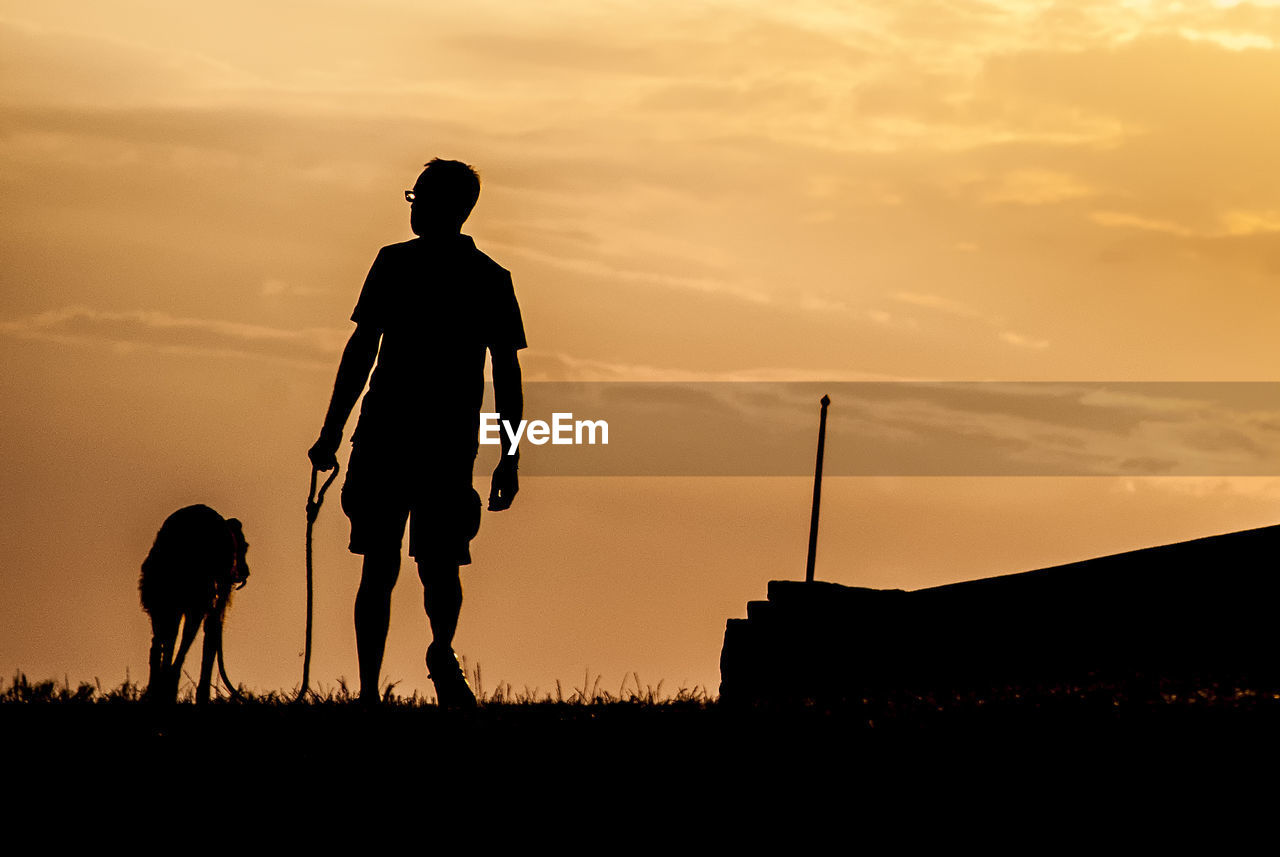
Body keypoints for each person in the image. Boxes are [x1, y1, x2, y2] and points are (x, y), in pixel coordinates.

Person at [308, 158, 526, 708]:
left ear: (449, 206)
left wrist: (511, 456)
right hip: (427, 442)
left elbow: (504, 370)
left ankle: (416, 664)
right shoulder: (481, 277)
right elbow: (504, 373)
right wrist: (331, 431)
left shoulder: (455, 274)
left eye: (420, 197)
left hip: (401, 438)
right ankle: (380, 685)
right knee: (420, 564)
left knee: (413, 565)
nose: (414, 207)